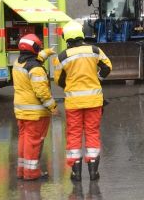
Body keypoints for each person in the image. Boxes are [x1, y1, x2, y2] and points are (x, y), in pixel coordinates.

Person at [54, 21, 112, 181]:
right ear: (81, 34)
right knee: (92, 133)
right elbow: (108, 67)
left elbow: (58, 80)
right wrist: (97, 79)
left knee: (74, 135)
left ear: (66, 37)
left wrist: (71, 84)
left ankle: (76, 173)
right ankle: (93, 172)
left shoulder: (62, 56)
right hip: (94, 101)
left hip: (74, 103)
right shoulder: (94, 50)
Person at [13, 34, 58, 181]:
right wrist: (53, 107)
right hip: (35, 113)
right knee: (33, 142)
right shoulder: (36, 69)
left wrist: (48, 52)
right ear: (35, 48)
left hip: (21, 111)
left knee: (24, 140)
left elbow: (35, 58)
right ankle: (31, 174)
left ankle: (22, 171)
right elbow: (42, 93)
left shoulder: (18, 63)